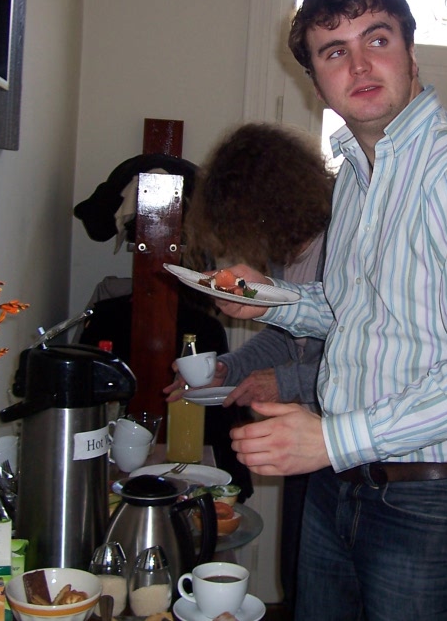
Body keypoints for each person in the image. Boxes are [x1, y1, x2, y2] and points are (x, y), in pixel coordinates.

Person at [211, 0, 447, 621]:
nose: (358, 65)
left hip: (428, 499)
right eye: (334, 51)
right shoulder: (359, 176)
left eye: (376, 40)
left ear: (411, 54)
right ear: (316, 81)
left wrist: (333, 442)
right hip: (340, 481)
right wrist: (271, 298)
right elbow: (356, 313)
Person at [164, 122, 335, 612]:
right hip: (304, 436)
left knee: (323, 591)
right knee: (299, 581)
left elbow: (365, 352)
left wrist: (283, 382)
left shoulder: (340, 246)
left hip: (345, 443)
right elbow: (288, 338)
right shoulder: (284, 258)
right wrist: (229, 369)